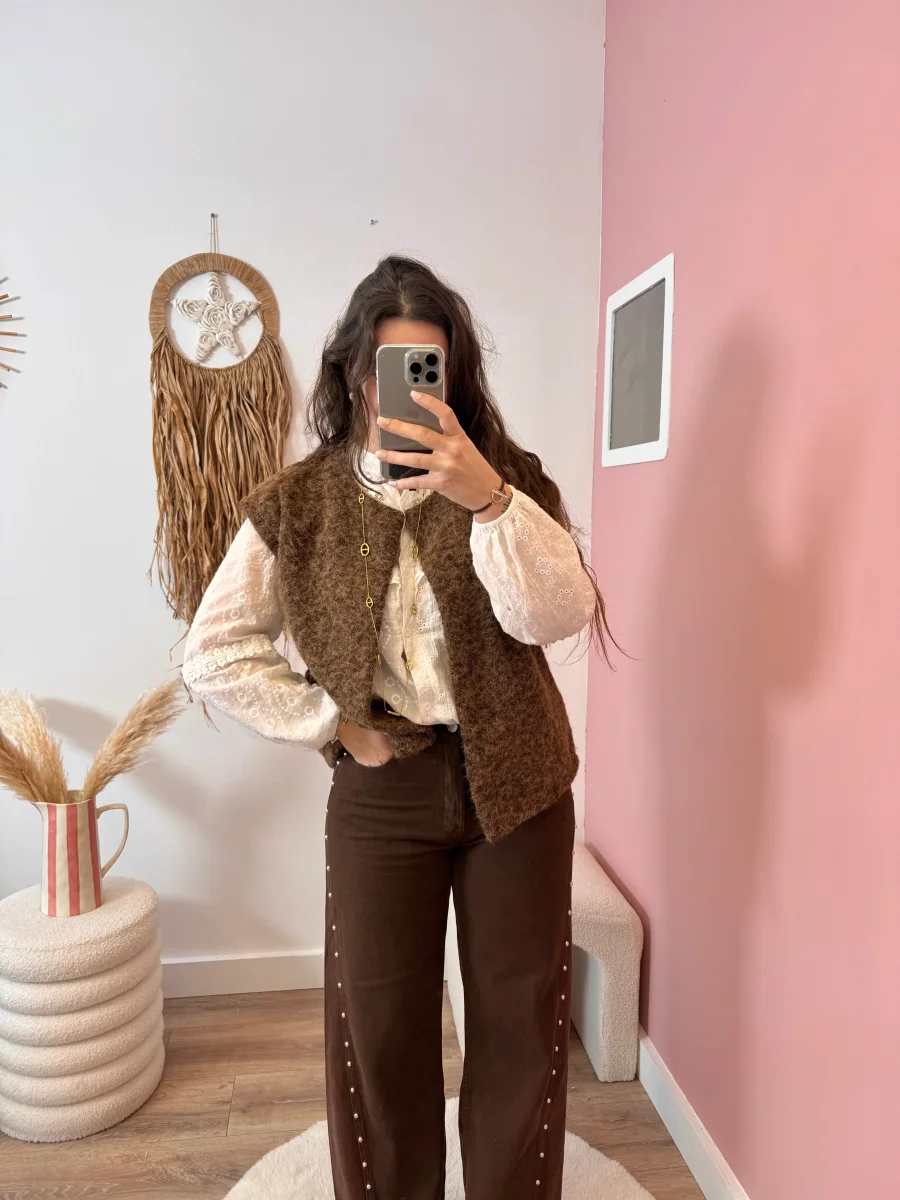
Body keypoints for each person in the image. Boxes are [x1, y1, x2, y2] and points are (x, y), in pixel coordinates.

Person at [182, 256, 614, 1200]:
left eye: (431, 369)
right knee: (378, 1028)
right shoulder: (301, 501)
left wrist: (487, 498)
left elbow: (559, 614)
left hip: (520, 784)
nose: (412, 390)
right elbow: (211, 650)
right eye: (392, 368)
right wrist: (329, 722)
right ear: (353, 373)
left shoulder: (507, 480)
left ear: (454, 375)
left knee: (519, 1021)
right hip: (382, 788)